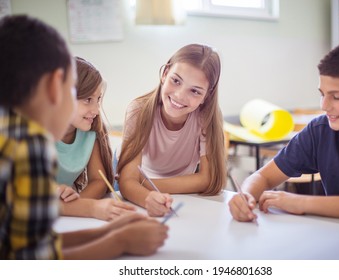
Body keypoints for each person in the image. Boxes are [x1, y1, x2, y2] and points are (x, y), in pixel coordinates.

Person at [0, 15, 168, 259]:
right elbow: (34, 262)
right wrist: (119, 242)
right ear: (54, 85)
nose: (96, 109)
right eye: (73, 91)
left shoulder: (10, 131)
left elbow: (30, 243)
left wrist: (109, 232)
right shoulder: (27, 144)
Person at [229, 41, 339, 222]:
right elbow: (263, 176)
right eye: (322, 94)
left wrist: (303, 203)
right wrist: (246, 196)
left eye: (337, 97)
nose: (324, 106)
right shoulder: (319, 131)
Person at [116, 44, 227, 217]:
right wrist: (145, 194)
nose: (179, 96)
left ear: (207, 95)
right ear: (165, 73)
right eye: (176, 81)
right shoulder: (138, 111)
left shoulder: (206, 117)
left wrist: (145, 183)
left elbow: (208, 179)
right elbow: (127, 182)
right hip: (138, 194)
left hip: (165, 190)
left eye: (195, 91)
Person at [56, 56, 134, 221]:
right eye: (87, 100)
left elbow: (99, 181)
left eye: (98, 100)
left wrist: (76, 207)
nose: (96, 110)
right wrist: (86, 208)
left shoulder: (89, 132)